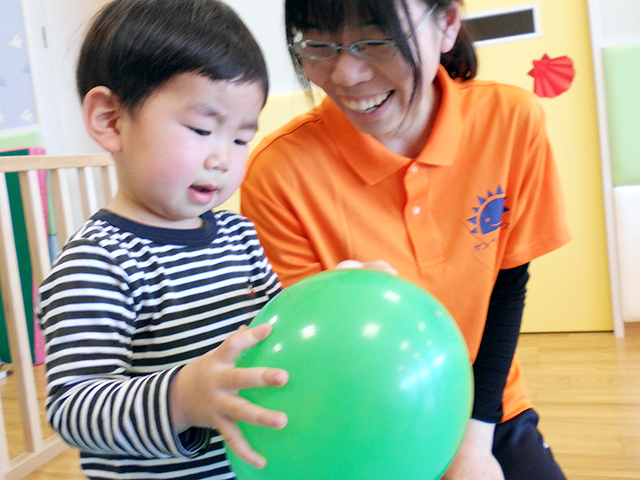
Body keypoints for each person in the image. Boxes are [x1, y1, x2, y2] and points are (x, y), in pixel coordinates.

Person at [240, 0, 571, 479]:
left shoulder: (511, 121)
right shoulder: (277, 175)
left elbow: (507, 285)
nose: (346, 73)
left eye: (376, 39)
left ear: (448, 23)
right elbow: (313, 365)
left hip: (485, 396)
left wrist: (474, 444)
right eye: (318, 44)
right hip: (362, 417)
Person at [37, 1, 290, 478]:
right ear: (110, 120)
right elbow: (74, 409)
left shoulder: (238, 235)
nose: (222, 158)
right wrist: (180, 399)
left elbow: (274, 335)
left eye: (240, 139)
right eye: (201, 129)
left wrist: (324, 301)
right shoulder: (97, 263)